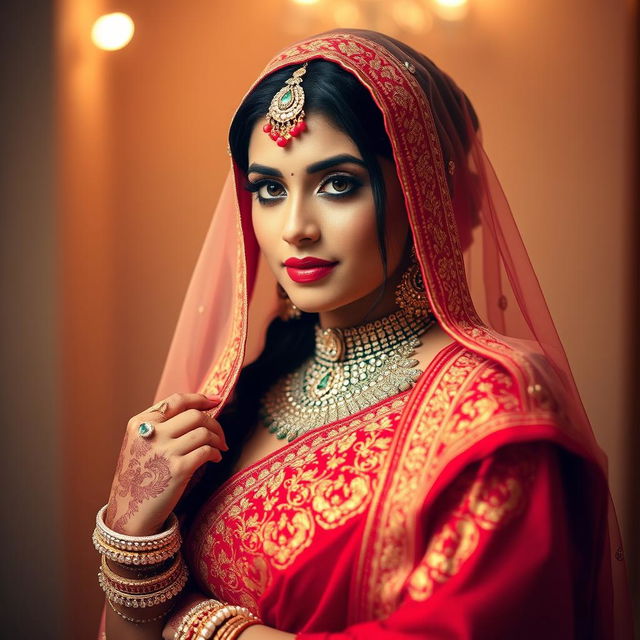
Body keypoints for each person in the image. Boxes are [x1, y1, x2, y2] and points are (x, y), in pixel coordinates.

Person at [95, 30, 632, 639]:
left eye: (338, 184)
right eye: (269, 189)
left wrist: (200, 626)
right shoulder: (248, 390)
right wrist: (129, 533)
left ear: (425, 195)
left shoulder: (496, 409)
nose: (295, 228)